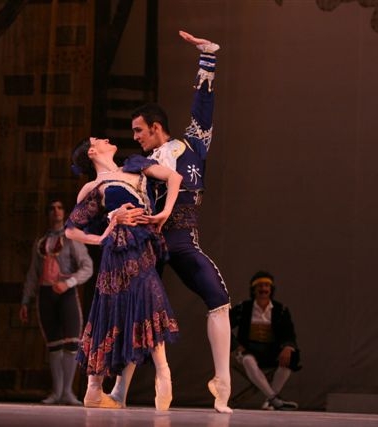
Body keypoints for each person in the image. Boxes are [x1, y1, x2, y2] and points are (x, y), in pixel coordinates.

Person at [110, 30, 233, 413]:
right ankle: (118, 388)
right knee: (136, 308)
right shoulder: (138, 163)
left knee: (220, 300)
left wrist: (207, 57)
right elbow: (116, 187)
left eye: (139, 131)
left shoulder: (192, 147)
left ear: (156, 128)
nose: (136, 138)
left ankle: (223, 384)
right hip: (151, 242)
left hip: (181, 240)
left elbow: (203, 104)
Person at [65, 137, 183, 410]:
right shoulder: (94, 186)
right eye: (98, 140)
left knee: (135, 304)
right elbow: (72, 229)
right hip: (119, 251)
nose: (106, 139)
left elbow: (174, 178)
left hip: (145, 245)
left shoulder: (135, 166)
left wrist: (164, 212)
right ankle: (159, 374)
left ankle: (98, 389)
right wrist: (107, 231)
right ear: (93, 151)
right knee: (133, 302)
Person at [19, 199, 93, 405]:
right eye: (51, 208)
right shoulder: (41, 242)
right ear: (47, 214)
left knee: (71, 343)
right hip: (45, 295)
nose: (56, 211)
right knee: (53, 345)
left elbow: (87, 267)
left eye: (60, 207)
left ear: (64, 212)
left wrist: (68, 283)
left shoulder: (71, 238)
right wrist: (26, 300)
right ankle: (57, 392)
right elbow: (33, 274)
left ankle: (68, 392)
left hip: (65, 294)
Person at [230, 271, 300, 410]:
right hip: (249, 350)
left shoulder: (280, 310)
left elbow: (288, 332)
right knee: (247, 360)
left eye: (267, 285)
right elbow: (224, 326)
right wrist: (237, 346)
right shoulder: (244, 308)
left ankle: (270, 401)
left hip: (271, 351)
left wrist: (287, 348)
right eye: (260, 286)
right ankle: (274, 399)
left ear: (271, 289)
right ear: (254, 289)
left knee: (290, 359)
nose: (263, 289)